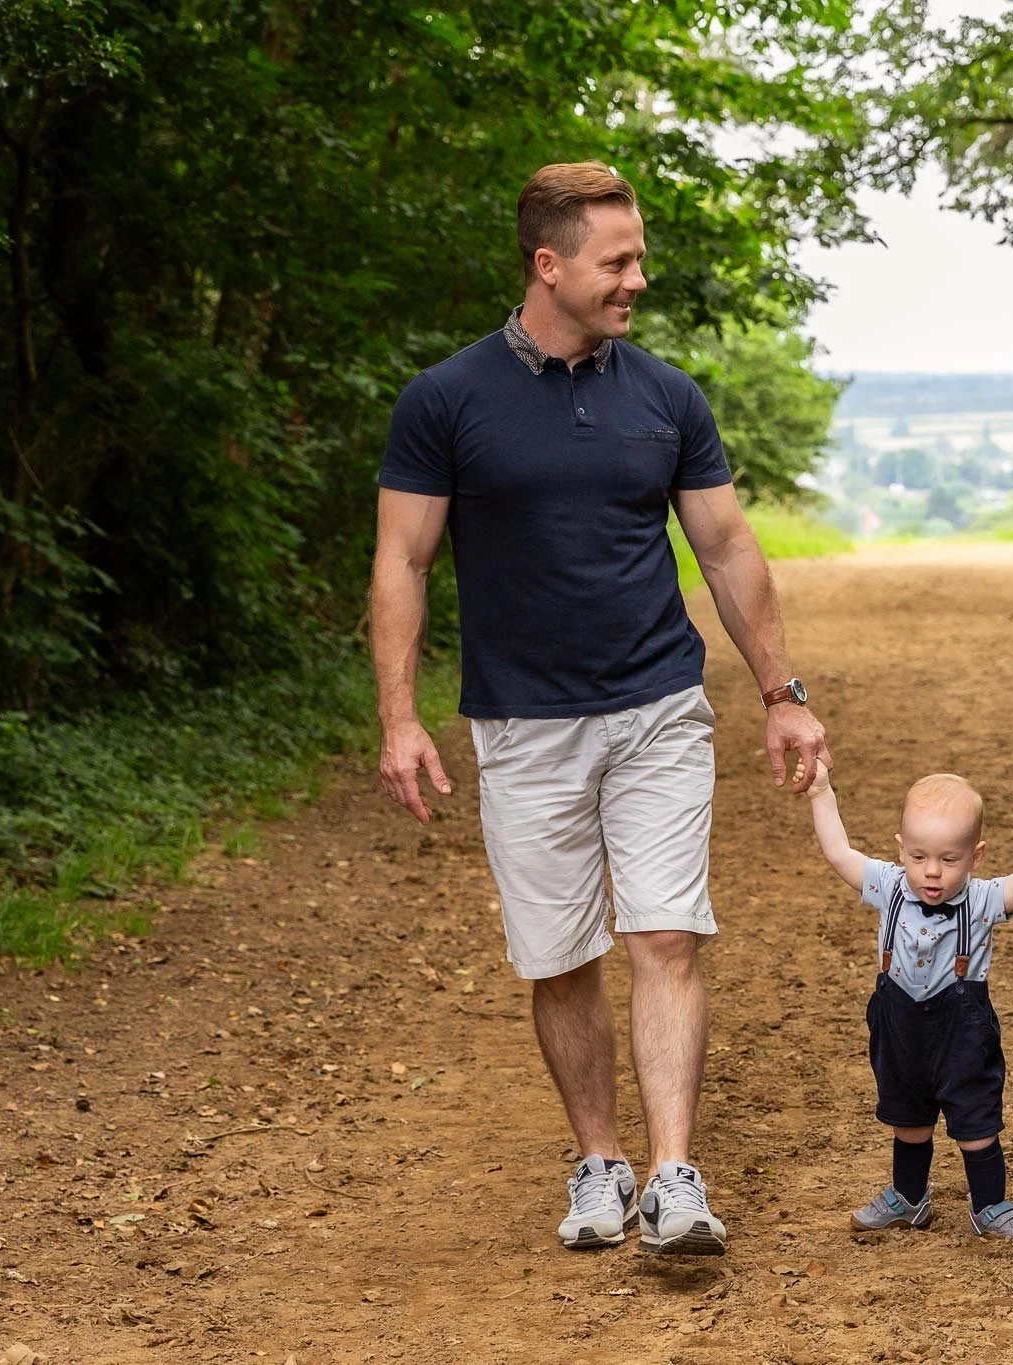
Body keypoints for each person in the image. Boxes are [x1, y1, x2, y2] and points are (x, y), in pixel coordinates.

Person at [368, 161, 830, 1257]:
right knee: (560, 954)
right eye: (616, 262)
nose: (635, 280)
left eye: (636, 259)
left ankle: (674, 1176)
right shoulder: (445, 399)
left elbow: (724, 546)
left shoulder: (665, 395)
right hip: (521, 725)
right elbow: (402, 560)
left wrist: (780, 692)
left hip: (657, 705)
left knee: (665, 932)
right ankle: (599, 1162)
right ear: (549, 264)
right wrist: (398, 714)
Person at [807, 764, 1013, 1240]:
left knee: (975, 1118)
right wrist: (821, 791)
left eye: (949, 859)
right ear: (900, 848)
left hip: (960, 1027)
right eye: (918, 856)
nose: (931, 871)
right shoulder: (888, 885)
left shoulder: (982, 900)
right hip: (898, 1019)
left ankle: (990, 1205)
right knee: (907, 1114)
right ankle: (909, 1197)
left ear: (975, 856)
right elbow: (839, 852)